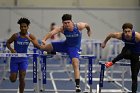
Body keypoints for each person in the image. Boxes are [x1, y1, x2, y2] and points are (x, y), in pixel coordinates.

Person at [41, 14, 92, 92]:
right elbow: (52, 33)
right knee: (44, 47)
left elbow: (87, 25)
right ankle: (52, 52)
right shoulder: (62, 28)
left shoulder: (79, 26)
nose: (67, 24)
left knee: (75, 63)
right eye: (65, 23)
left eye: (68, 22)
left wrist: (88, 30)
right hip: (65, 45)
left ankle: (77, 85)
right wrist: (44, 39)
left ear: (71, 21)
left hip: (74, 48)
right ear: (62, 23)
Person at [101, 23, 140, 93]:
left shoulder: (137, 36)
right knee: (125, 52)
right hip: (127, 52)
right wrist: (104, 43)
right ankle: (112, 62)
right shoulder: (120, 36)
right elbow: (110, 35)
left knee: (134, 76)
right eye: (125, 32)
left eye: (129, 31)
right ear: (123, 32)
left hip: (136, 54)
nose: (127, 34)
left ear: (132, 31)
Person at [6, 18, 41, 93]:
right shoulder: (15, 35)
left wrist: (29, 39)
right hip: (15, 60)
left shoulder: (30, 36)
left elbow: (37, 46)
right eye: (21, 26)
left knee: (22, 78)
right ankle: (12, 74)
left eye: (25, 26)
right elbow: (7, 43)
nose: (23, 28)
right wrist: (11, 50)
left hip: (24, 59)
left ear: (28, 27)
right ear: (20, 27)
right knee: (13, 79)